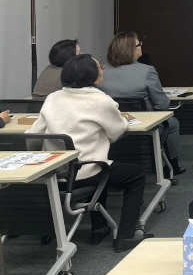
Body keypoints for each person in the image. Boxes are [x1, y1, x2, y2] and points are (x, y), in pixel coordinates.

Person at [27, 54, 151, 252]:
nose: (103, 69)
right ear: (92, 75)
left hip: (55, 173)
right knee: (133, 174)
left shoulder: (53, 98)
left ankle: (99, 228)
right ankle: (126, 236)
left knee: (101, 164)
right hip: (85, 172)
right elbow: (117, 131)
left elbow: (33, 136)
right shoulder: (101, 100)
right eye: (100, 67)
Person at [98, 32, 185, 174]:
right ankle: (172, 167)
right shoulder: (147, 71)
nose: (141, 47)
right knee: (173, 123)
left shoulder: (100, 71)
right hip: (145, 125)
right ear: (131, 50)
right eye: (139, 44)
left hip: (110, 126)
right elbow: (161, 105)